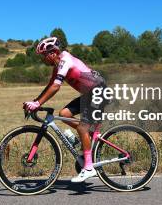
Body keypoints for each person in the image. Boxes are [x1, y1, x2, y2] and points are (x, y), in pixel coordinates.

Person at [23, 37, 107, 182]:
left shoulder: (65, 61)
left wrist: (37, 104)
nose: (43, 59)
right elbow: (50, 85)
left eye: (44, 55)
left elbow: (56, 87)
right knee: (64, 114)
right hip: (91, 93)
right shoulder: (57, 65)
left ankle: (88, 168)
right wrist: (35, 101)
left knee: (81, 128)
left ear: (53, 53)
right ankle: (87, 135)